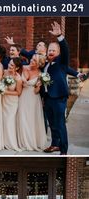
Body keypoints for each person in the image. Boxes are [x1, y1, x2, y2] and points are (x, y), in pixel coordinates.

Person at [43, 22, 70, 155]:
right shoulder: (46, 65)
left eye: (54, 50)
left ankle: (63, 150)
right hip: (48, 98)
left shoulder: (61, 62)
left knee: (60, 125)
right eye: (49, 50)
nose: (51, 52)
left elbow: (65, 49)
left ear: (58, 52)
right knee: (52, 124)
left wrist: (59, 36)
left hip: (59, 98)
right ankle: (55, 145)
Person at [17, 54, 47, 151]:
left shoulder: (40, 74)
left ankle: (32, 141)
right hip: (23, 97)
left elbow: (36, 91)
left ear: (38, 64)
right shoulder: (23, 67)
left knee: (32, 119)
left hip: (33, 99)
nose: (31, 61)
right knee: (22, 117)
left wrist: (38, 85)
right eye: (32, 59)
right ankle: (23, 141)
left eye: (34, 61)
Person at [2, 57, 23, 151]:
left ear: (17, 68)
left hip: (12, 102)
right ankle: (3, 142)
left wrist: (5, 92)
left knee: (9, 121)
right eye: (9, 64)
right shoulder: (5, 72)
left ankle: (10, 142)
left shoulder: (18, 78)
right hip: (3, 100)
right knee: (3, 121)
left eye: (12, 65)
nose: (9, 66)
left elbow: (18, 92)